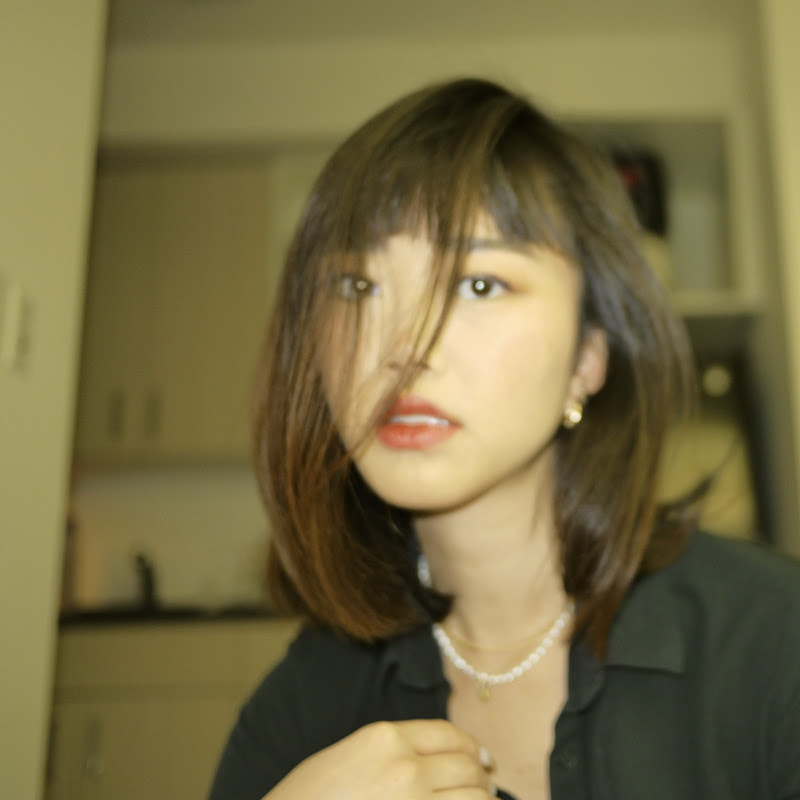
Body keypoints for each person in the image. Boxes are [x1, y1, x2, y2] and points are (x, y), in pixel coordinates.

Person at [208, 78, 800, 800]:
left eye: (479, 285)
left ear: (588, 357)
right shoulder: (297, 710)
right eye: (358, 287)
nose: (402, 347)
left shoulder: (776, 643)